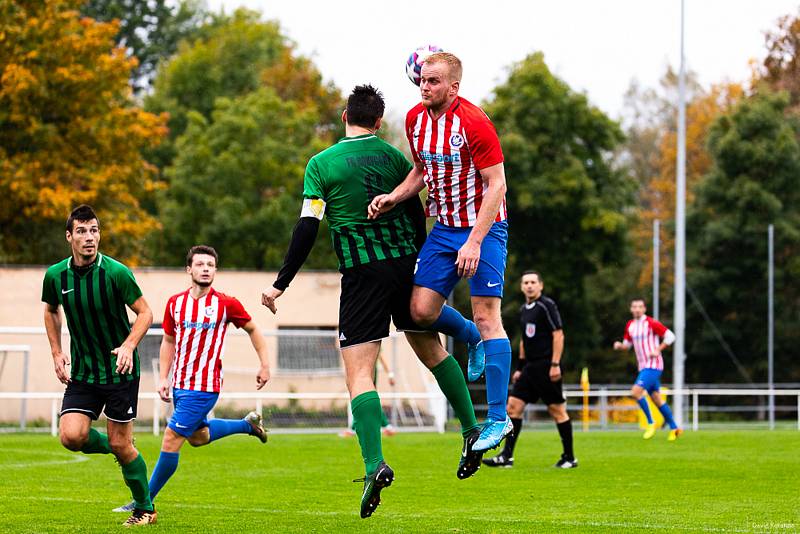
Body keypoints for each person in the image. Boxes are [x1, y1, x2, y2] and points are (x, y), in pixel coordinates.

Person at [261, 85, 483, 519]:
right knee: (431, 350)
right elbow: (417, 209)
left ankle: (373, 464)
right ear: (379, 122)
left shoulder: (321, 164)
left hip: (363, 274)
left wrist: (282, 282)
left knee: (360, 374)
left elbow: (307, 227)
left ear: (345, 115)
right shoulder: (396, 157)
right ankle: (472, 428)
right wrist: (423, 261)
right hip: (406, 264)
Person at [368, 52, 512, 452]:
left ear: (454, 87)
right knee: (420, 311)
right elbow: (421, 171)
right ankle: (471, 338)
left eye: (433, 81)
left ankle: (498, 419)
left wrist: (476, 240)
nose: (424, 87)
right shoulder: (415, 119)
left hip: (486, 227)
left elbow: (496, 185)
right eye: (422, 81)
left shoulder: (475, 122)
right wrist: (394, 197)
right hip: (445, 229)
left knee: (487, 315)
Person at [114, 245, 270, 513]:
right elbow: (168, 341)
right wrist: (163, 378)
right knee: (198, 437)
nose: (206, 268)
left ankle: (144, 501)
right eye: (200, 264)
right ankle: (248, 425)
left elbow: (253, 329)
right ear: (189, 269)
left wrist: (265, 364)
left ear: (215, 271)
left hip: (205, 387)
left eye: (211, 265)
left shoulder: (226, 303)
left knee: (171, 438)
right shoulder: (176, 303)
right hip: (180, 385)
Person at [42, 204, 157, 527]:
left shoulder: (117, 273)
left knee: (121, 444)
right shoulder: (55, 276)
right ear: (69, 236)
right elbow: (51, 311)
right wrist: (56, 352)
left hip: (120, 370)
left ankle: (145, 509)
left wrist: (128, 345)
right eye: (81, 231)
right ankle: (121, 446)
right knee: (71, 437)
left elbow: (145, 313)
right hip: (83, 372)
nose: (89, 237)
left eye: (94, 230)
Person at [483, 271, 577, 469]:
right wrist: (520, 367)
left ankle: (569, 457)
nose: (529, 286)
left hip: (546, 365)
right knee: (513, 407)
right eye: (526, 282)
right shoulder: (524, 309)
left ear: (540, 285)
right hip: (530, 368)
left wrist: (555, 364)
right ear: (521, 286)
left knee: (556, 410)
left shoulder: (546, 306)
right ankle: (506, 456)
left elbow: (558, 335)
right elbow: (525, 339)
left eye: (533, 282)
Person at [613, 298, 683, 441]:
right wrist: (620, 346)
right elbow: (627, 345)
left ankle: (651, 424)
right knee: (657, 399)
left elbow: (670, 336)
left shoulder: (651, 323)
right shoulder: (630, 325)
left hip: (654, 365)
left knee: (636, 391)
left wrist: (658, 349)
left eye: (640, 306)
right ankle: (675, 428)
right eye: (634, 306)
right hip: (643, 366)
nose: (637, 309)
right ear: (631, 309)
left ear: (644, 309)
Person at [340, 350, 397, 437]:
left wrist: (390, 374)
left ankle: (352, 429)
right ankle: (386, 426)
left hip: (367, 371)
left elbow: (380, 355)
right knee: (367, 400)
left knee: (363, 399)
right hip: (362, 370)